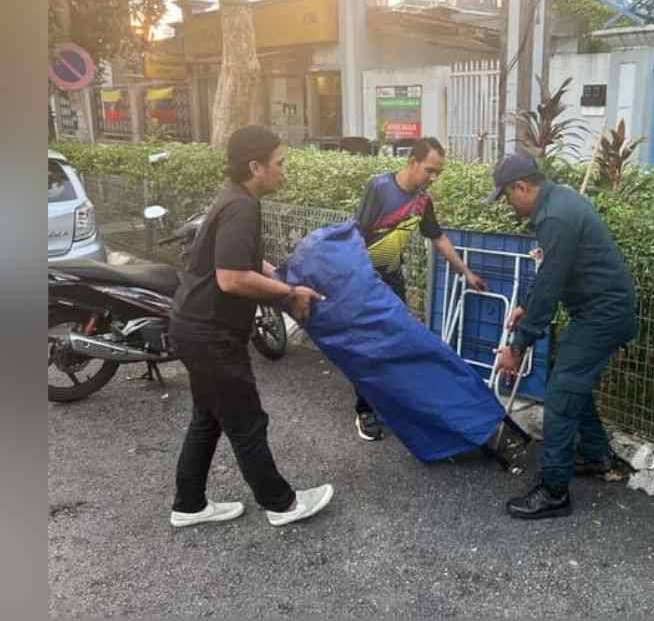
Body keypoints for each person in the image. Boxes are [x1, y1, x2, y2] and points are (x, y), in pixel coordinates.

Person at [168, 125, 334, 528]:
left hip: (194, 325)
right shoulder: (242, 206)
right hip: (211, 333)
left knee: (208, 418)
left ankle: (188, 505)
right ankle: (282, 504)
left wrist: (279, 276)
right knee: (246, 421)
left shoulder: (234, 197)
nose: (285, 171)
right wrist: (287, 294)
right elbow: (231, 278)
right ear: (255, 166)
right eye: (280, 163)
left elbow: (241, 260)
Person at [488, 155, 637, 520]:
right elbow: (551, 272)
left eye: (507, 196)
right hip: (598, 311)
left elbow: (551, 284)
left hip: (603, 315)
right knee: (569, 381)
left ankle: (554, 491)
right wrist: (525, 305)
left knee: (560, 393)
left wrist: (518, 346)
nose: (509, 205)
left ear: (522, 186)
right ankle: (598, 456)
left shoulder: (556, 216)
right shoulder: (558, 203)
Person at [349, 137, 488, 441]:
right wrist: (357, 279)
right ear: (412, 162)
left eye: (438, 172)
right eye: (429, 170)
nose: (433, 178)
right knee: (368, 346)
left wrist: (465, 272)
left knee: (397, 341)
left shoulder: (423, 200)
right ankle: (364, 410)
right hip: (364, 279)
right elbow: (357, 234)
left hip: (392, 277)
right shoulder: (380, 187)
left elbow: (437, 237)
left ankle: (390, 400)